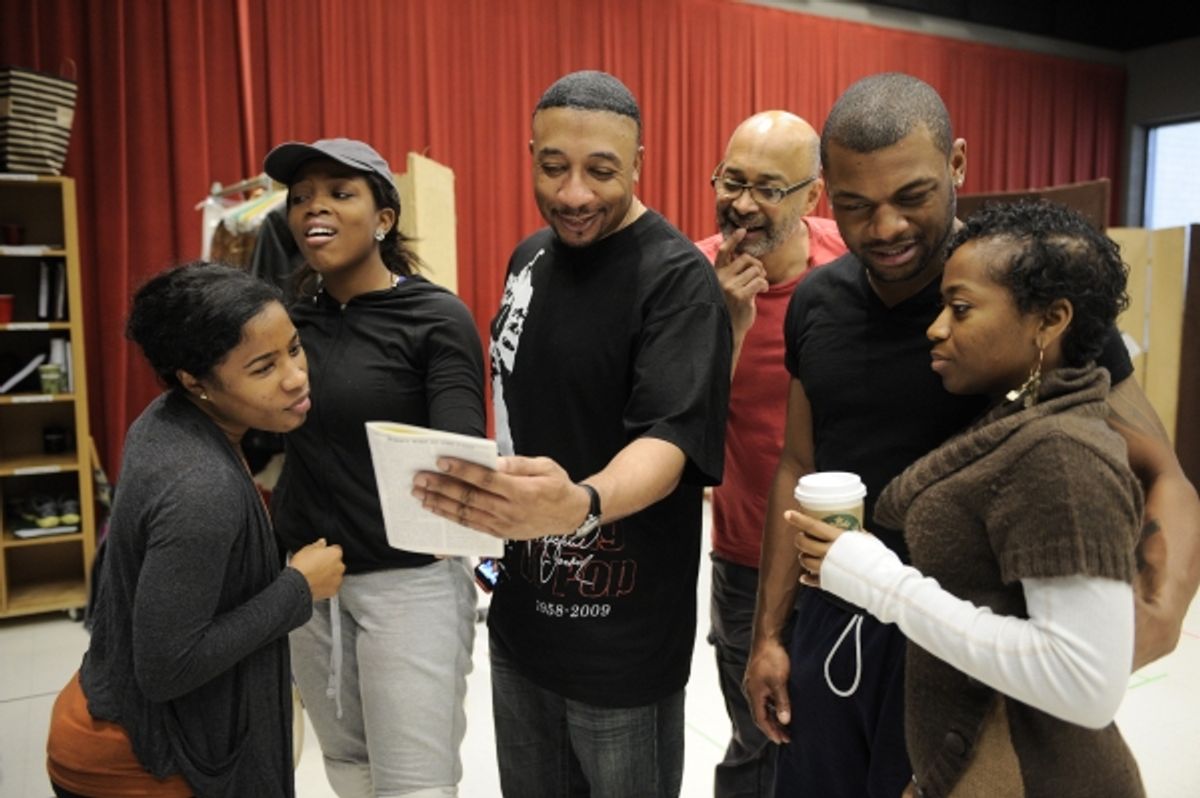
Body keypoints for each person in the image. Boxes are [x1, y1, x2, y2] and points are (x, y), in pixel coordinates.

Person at [743, 72, 1200, 798]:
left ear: (956, 164)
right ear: (826, 192)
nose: (885, 226)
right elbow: (797, 463)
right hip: (835, 623)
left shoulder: (1015, 297)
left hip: (966, 652)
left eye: (912, 197)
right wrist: (769, 635)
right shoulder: (818, 303)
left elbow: (1162, 471)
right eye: (857, 206)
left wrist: (1159, 614)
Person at [410, 70, 733, 797]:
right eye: (553, 166)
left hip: (621, 646)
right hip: (521, 626)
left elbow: (670, 440)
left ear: (640, 162)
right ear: (530, 153)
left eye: (601, 170)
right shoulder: (529, 258)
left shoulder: (677, 280)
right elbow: (511, 415)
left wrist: (580, 503)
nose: (574, 193)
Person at [794, 200, 1146, 796]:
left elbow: (1085, 685)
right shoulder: (1019, 421)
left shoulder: (1059, 454)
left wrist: (882, 580)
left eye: (960, 310)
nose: (936, 328)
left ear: (1049, 320)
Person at [46, 262, 344, 798]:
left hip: (106, 720)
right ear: (195, 380)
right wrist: (298, 588)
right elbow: (167, 665)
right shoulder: (201, 490)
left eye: (294, 349)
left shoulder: (166, 417)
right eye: (262, 367)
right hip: (137, 763)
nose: (295, 375)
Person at [265, 138, 486, 798]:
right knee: (348, 767)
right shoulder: (285, 319)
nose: (314, 208)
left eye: (339, 192)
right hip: (310, 580)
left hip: (408, 585)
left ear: (384, 218)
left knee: (414, 785)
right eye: (301, 196)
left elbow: (459, 455)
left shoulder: (435, 317)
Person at [693, 110, 846, 797]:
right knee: (759, 740)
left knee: (838, 737)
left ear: (813, 196)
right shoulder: (690, 276)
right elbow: (677, 426)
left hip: (844, 554)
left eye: (769, 188)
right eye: (733, 181)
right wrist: (726, 326)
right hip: (745, 558)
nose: (744, 203)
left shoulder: (855, 264)